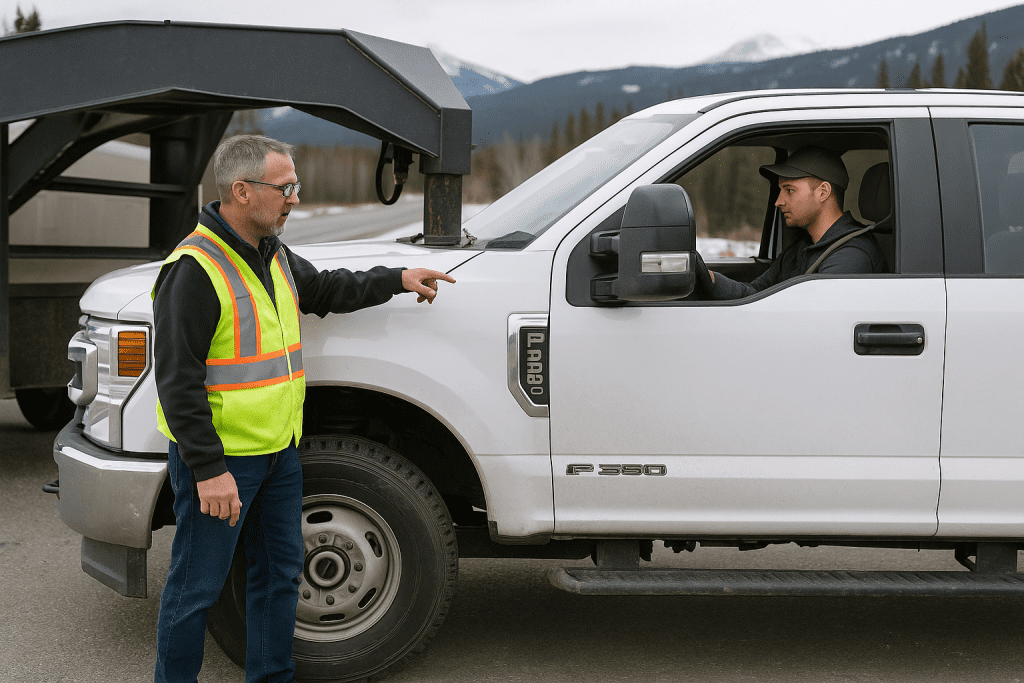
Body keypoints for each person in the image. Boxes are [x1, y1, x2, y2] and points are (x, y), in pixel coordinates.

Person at [151, 134, 455, 683]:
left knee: (280, 577)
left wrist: (397, 279)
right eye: (285, 187)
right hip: (224, 464)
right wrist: (209, 470)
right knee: (196, 590)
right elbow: (176, 384)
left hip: (278, 454)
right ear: (242, 192)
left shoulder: (274, 255)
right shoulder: (195, 269)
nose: (295, 197)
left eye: (297, 185)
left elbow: (325, 290)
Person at [705, 146, 886, 300]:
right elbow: (757, 293)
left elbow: (814, 321)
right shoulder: (801, 248)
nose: (778, 201)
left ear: (823, 192)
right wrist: (711, 280)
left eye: (789, 190)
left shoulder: (851, 256)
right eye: (780, 190)